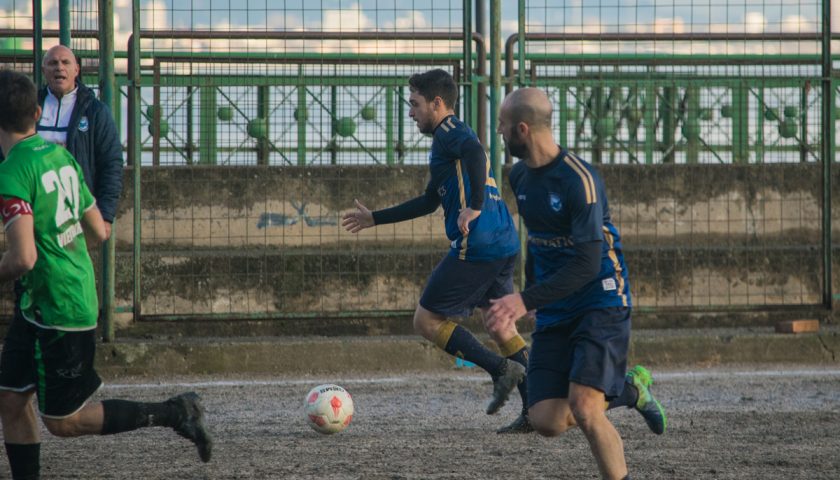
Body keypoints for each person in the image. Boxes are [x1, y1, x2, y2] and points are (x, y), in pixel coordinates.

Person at [0, 70, 212, 480]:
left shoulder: (12, 173)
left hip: (60, 307)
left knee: (64, 422)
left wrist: (45, 256)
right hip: (45, 299)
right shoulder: (59, 155)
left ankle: (174, 412)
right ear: (38, 112)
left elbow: (23, 258)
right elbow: (98, 230)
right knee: (10, 398)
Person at [486, 88, 667, 480]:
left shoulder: (579, 180)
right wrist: (532, 292)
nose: (498, 132)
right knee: (546, 419)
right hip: (556, 302)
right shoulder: (518, 176)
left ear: (522, 129)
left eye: (501, 125)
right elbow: (536, 238)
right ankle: (631, 390)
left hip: (600, 296)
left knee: (585, 408)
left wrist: (522, 299)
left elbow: (587, 263)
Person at [341, 69, 531, 433]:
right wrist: (374, 218)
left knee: (426, 321)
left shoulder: (449, 132)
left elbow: (476, 152)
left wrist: (473, 206)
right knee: (500, 325)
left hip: (477, 243)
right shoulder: (448, 140)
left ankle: (501, 369)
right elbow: (431, 201)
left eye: (415, 104)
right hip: (503, 240)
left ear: (437, 104)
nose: (410, 112)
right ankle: (535, 409)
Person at [37, 44, 123, 238]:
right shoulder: (30, 107)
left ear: (76, 69)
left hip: (77, 213)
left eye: (65, 62)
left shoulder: (95, 111)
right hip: (35, 210)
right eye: (52, 63)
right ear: (44, 71)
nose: (59, 67)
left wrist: (106, 215)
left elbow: (111, 163)